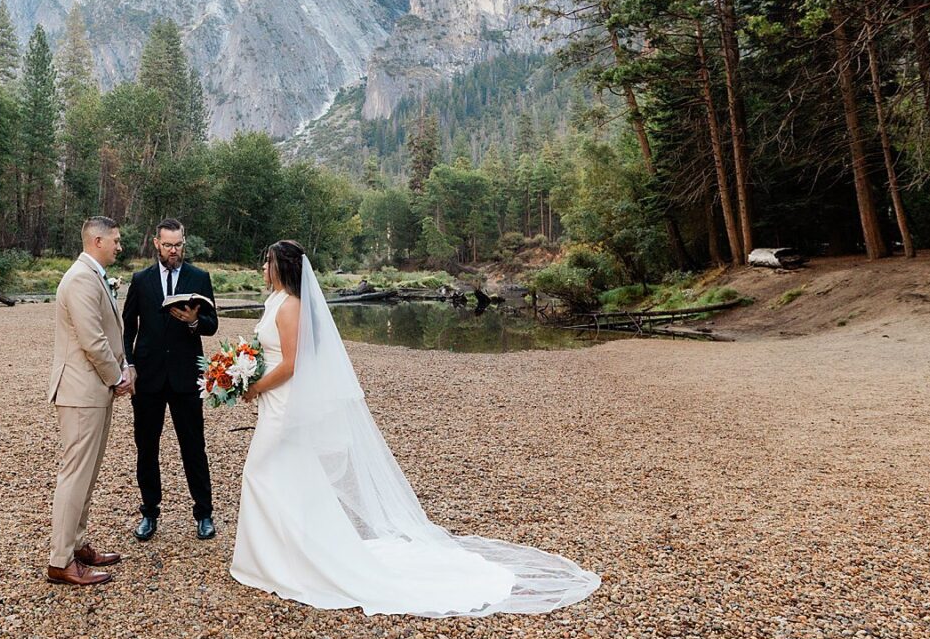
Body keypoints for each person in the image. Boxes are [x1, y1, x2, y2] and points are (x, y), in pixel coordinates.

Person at [230, 239, 601, 616]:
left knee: (261, 472)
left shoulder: (291, 305)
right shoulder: (274, 301)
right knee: (286, 477)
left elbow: (293, 363)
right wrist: (244, 373)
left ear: (284, 268)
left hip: (284, 403)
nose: (263, 268)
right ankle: (280, 555)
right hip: (273, 403)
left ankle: (287, 559)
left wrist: (255, 385)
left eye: (268, 262)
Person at [45, 216, 135, 587]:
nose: (119, 245)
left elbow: (112, 334)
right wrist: (117, 378)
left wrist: (124, 365)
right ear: (97, 240)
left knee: (88, 472)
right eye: (115, 240)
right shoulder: (81, 278)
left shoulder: (94, 275)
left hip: (93, 390)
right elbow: (92, 339)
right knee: (75, 473)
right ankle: (60, 560)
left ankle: (78, 544)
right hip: (82, 391)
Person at [121, 218, 220, 541]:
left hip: (185, 376)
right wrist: (130, 364)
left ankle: (203, 514)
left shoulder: (199, 277)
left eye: (178, 245)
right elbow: (128, 328)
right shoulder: (141, 279)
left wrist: (194, 322)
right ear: (156, 244)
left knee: (194, 446)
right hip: (148, 377)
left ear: (184, 243)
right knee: (146, 448)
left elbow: (212, 323)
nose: (173, 251)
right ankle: (149, 513)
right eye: (168, 245)